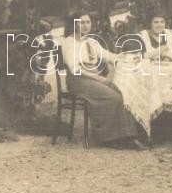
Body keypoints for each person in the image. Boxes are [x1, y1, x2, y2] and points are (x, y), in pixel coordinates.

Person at [60, 12, 148, 150]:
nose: (85, 25)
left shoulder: (91, 41)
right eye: (81, 22)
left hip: (93, 78)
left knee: (122, 92)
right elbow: (75, 69)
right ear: (75, 24)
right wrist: (100, 79)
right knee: (113, 97)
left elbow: (109, 56)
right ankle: (110, 138)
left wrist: (129, 58)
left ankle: (128, 136)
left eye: (88, 22)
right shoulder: (69, 42)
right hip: (79, 81)